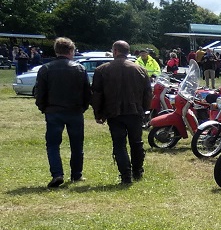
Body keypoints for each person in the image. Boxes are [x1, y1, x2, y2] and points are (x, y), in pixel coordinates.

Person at [91, 40, 150, 185]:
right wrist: (144, 109)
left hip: (114, 113)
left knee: (119, 144)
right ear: (127, 52)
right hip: (135, 111)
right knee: (136, 142)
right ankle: (137, 171)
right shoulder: (140, 70)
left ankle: (126, 176)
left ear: (115, 51)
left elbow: (97, 94)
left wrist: (98, 113)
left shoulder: (102, 70)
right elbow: (148, 93)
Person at [34, 36, 91, 188]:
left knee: (53, 144)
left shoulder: (46, 68)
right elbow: (87, 92)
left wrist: (43, 107)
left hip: (53, 111)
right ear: (71, 51)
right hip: (75, 111)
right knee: (77, 145)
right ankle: (76, 174)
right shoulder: (79, 68)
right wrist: (83, 107)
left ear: (56, 51)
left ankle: (57, 174)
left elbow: (40, 92)